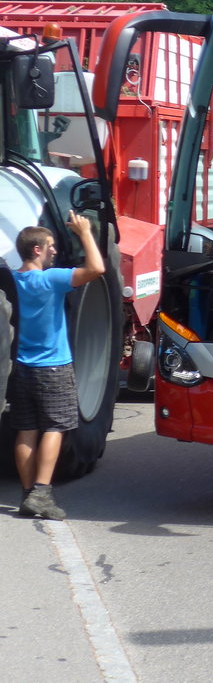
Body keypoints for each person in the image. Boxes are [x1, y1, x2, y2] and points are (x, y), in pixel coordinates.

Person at [10, 212, 104, 520]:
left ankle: (27, 495)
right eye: (50, 245)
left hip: (22, 367)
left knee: (26, 430)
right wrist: (85, 233)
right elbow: (97, 269)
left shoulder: (14, 280)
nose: (54, 250)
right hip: (53, 367)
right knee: (55, 428)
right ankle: (42, 493)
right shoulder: (50, 279)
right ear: (36, 249)